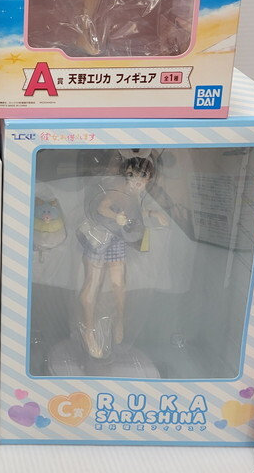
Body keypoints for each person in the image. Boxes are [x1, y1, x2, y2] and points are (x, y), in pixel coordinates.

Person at [77, 152, 168, 359]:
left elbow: (134, 213)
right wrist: (115, 215)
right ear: (125, 175)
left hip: (117, 239)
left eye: (142, 176)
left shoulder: (137, 195)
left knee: (119, 284)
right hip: (100, 237)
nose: (137, 181)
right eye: (131, 175)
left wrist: (153, 213)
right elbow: (101, 208)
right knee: (92, 285)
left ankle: (119, 320)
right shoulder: (118, 190)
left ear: (149, 178)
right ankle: (89, 332)